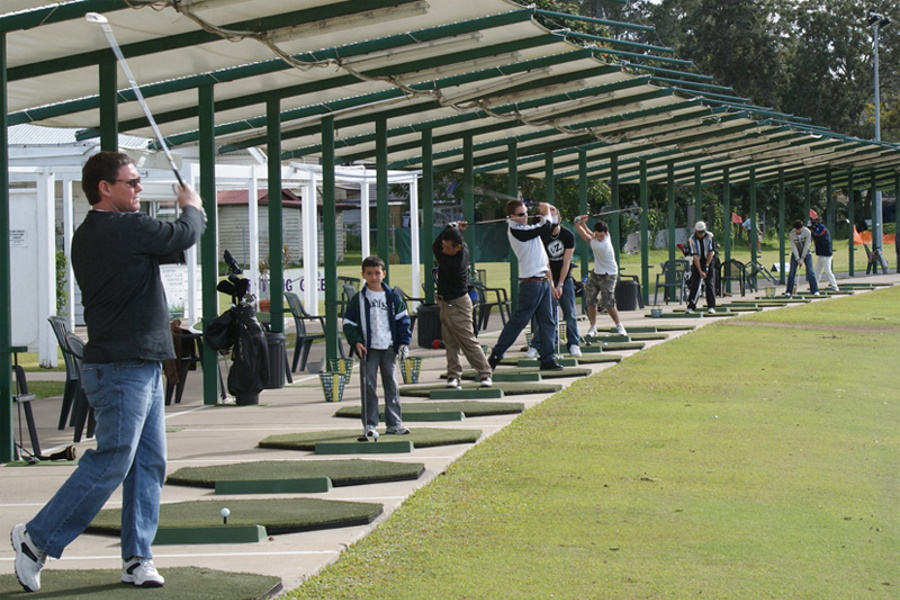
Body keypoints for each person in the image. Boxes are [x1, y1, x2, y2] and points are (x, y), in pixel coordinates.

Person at [11, 151, 205, 593]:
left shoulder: (106, 232)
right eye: (132, 182)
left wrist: (189, 218)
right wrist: (192, 205)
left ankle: (137, 558)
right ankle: (35, 539)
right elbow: (187, 233)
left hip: (141, 365)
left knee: (148, 464)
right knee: (113, 461)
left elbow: (174, 245)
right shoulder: (120, 228)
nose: (138, 189)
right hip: (120, 367)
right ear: (105, 187)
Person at [487, 201, 562, 372]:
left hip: (542, 281)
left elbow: (551, 225)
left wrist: (549, 210)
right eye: (521, 214)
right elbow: (545, 228)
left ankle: (548, 359)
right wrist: (546, 214)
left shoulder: (527, 228)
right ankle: (496, 355)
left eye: (526, 213)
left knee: (548, 322)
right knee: (519, 321)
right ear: (511, 217)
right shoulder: (516, 230)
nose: (525, 217)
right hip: (531, 284)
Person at [343, 256, 412, 438]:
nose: (374, 277)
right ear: (363, 275)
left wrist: (404, 343)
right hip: (368, 349)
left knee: (392, 385)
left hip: (389, 347)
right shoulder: (358, 299)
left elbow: (403, 320)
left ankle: (395, 424)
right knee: (369, 386)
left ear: (384, 273)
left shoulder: (392, 297)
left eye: (377, 273)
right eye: (369, 273)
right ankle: (370, 424)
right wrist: (356, 341)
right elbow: (349, 323)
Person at [433, 222, 493, 388]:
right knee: (449, 341)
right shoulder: (462, 248)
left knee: (466, 339)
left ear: (457, 248)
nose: (443, 249)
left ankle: (485, 373)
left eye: (447, 247)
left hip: (457, 304)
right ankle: (453, 376)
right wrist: (452, 229)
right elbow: (439, 244)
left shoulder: (453, 263)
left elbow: (435, 246)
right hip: (446, 303)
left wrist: (450, 228)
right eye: (443, 246)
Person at [526, 205, 580, 358]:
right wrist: (551, 285)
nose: (550, 215)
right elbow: (545, 263)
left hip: (565, 279)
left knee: (570, 312)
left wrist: (560, 284)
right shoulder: (541, 236)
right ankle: (536, 346)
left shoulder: (568, 235)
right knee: (542, 314)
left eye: (553, 212)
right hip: (545, 278)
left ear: (559, 218)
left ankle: (574, 343)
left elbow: (566, 262)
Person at [573, 217, 627, 336]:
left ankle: (619, 326)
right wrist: (583, 224)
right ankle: (593, 327)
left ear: (606, 234)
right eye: (597, 235)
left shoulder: (602, 244)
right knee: (590, 299)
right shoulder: (603, 236)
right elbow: (591, 234)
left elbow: (586, 236)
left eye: (601, 236)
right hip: (597, 273)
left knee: (608, 302)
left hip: (609, 275)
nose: (598, 237)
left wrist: (577, 224)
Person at [685, 221, 717, 315]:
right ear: (696, 231)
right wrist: (700, 271)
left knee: (709, 284)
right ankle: (691, 307)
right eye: (700, 232)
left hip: (709, 260)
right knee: (695, 283)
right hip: (697, 261)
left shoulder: (710, 236)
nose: (702, 234)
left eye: (703, 232)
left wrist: (706, 267)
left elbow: (711, 252)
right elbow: (694, 257)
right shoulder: (691, 239)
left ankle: (711, 307)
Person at [785, 219, 819, 296]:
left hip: (806, 253)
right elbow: (793, 247)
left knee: (810, 271)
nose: (797, 231)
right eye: (796, 230)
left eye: (799, 229)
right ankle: (789, 291)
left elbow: (807, 245)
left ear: (801, 228)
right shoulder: (792, 234)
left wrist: (802, 258)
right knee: (792, 272)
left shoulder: (807, 232)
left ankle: (815, 290)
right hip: (795, 254)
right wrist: (797, 259)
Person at [811, 220, 839, 291]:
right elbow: (815, 236)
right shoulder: (820, 234)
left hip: (826, 256)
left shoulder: (825, 236)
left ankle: (835, 287)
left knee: (828, 271)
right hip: (821, 255)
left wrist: (813, 233)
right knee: (817, 271)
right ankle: (815, 287)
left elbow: (817, 237)